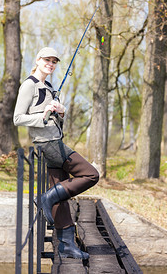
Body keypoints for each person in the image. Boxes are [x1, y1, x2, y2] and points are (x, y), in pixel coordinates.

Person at [13, 47, 99, 260]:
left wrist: (60, 112)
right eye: (46, 60)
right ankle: (45, 198)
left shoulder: (49, 86)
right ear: (38, 59)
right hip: (48, 143)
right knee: (90, 174)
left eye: (54, 61)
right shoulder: (29, 85)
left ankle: (67, 246)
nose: (50, 64)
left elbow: (54, 121)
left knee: (59, 194)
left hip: (55, 139)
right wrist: (42, 117)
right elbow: (17, 118)